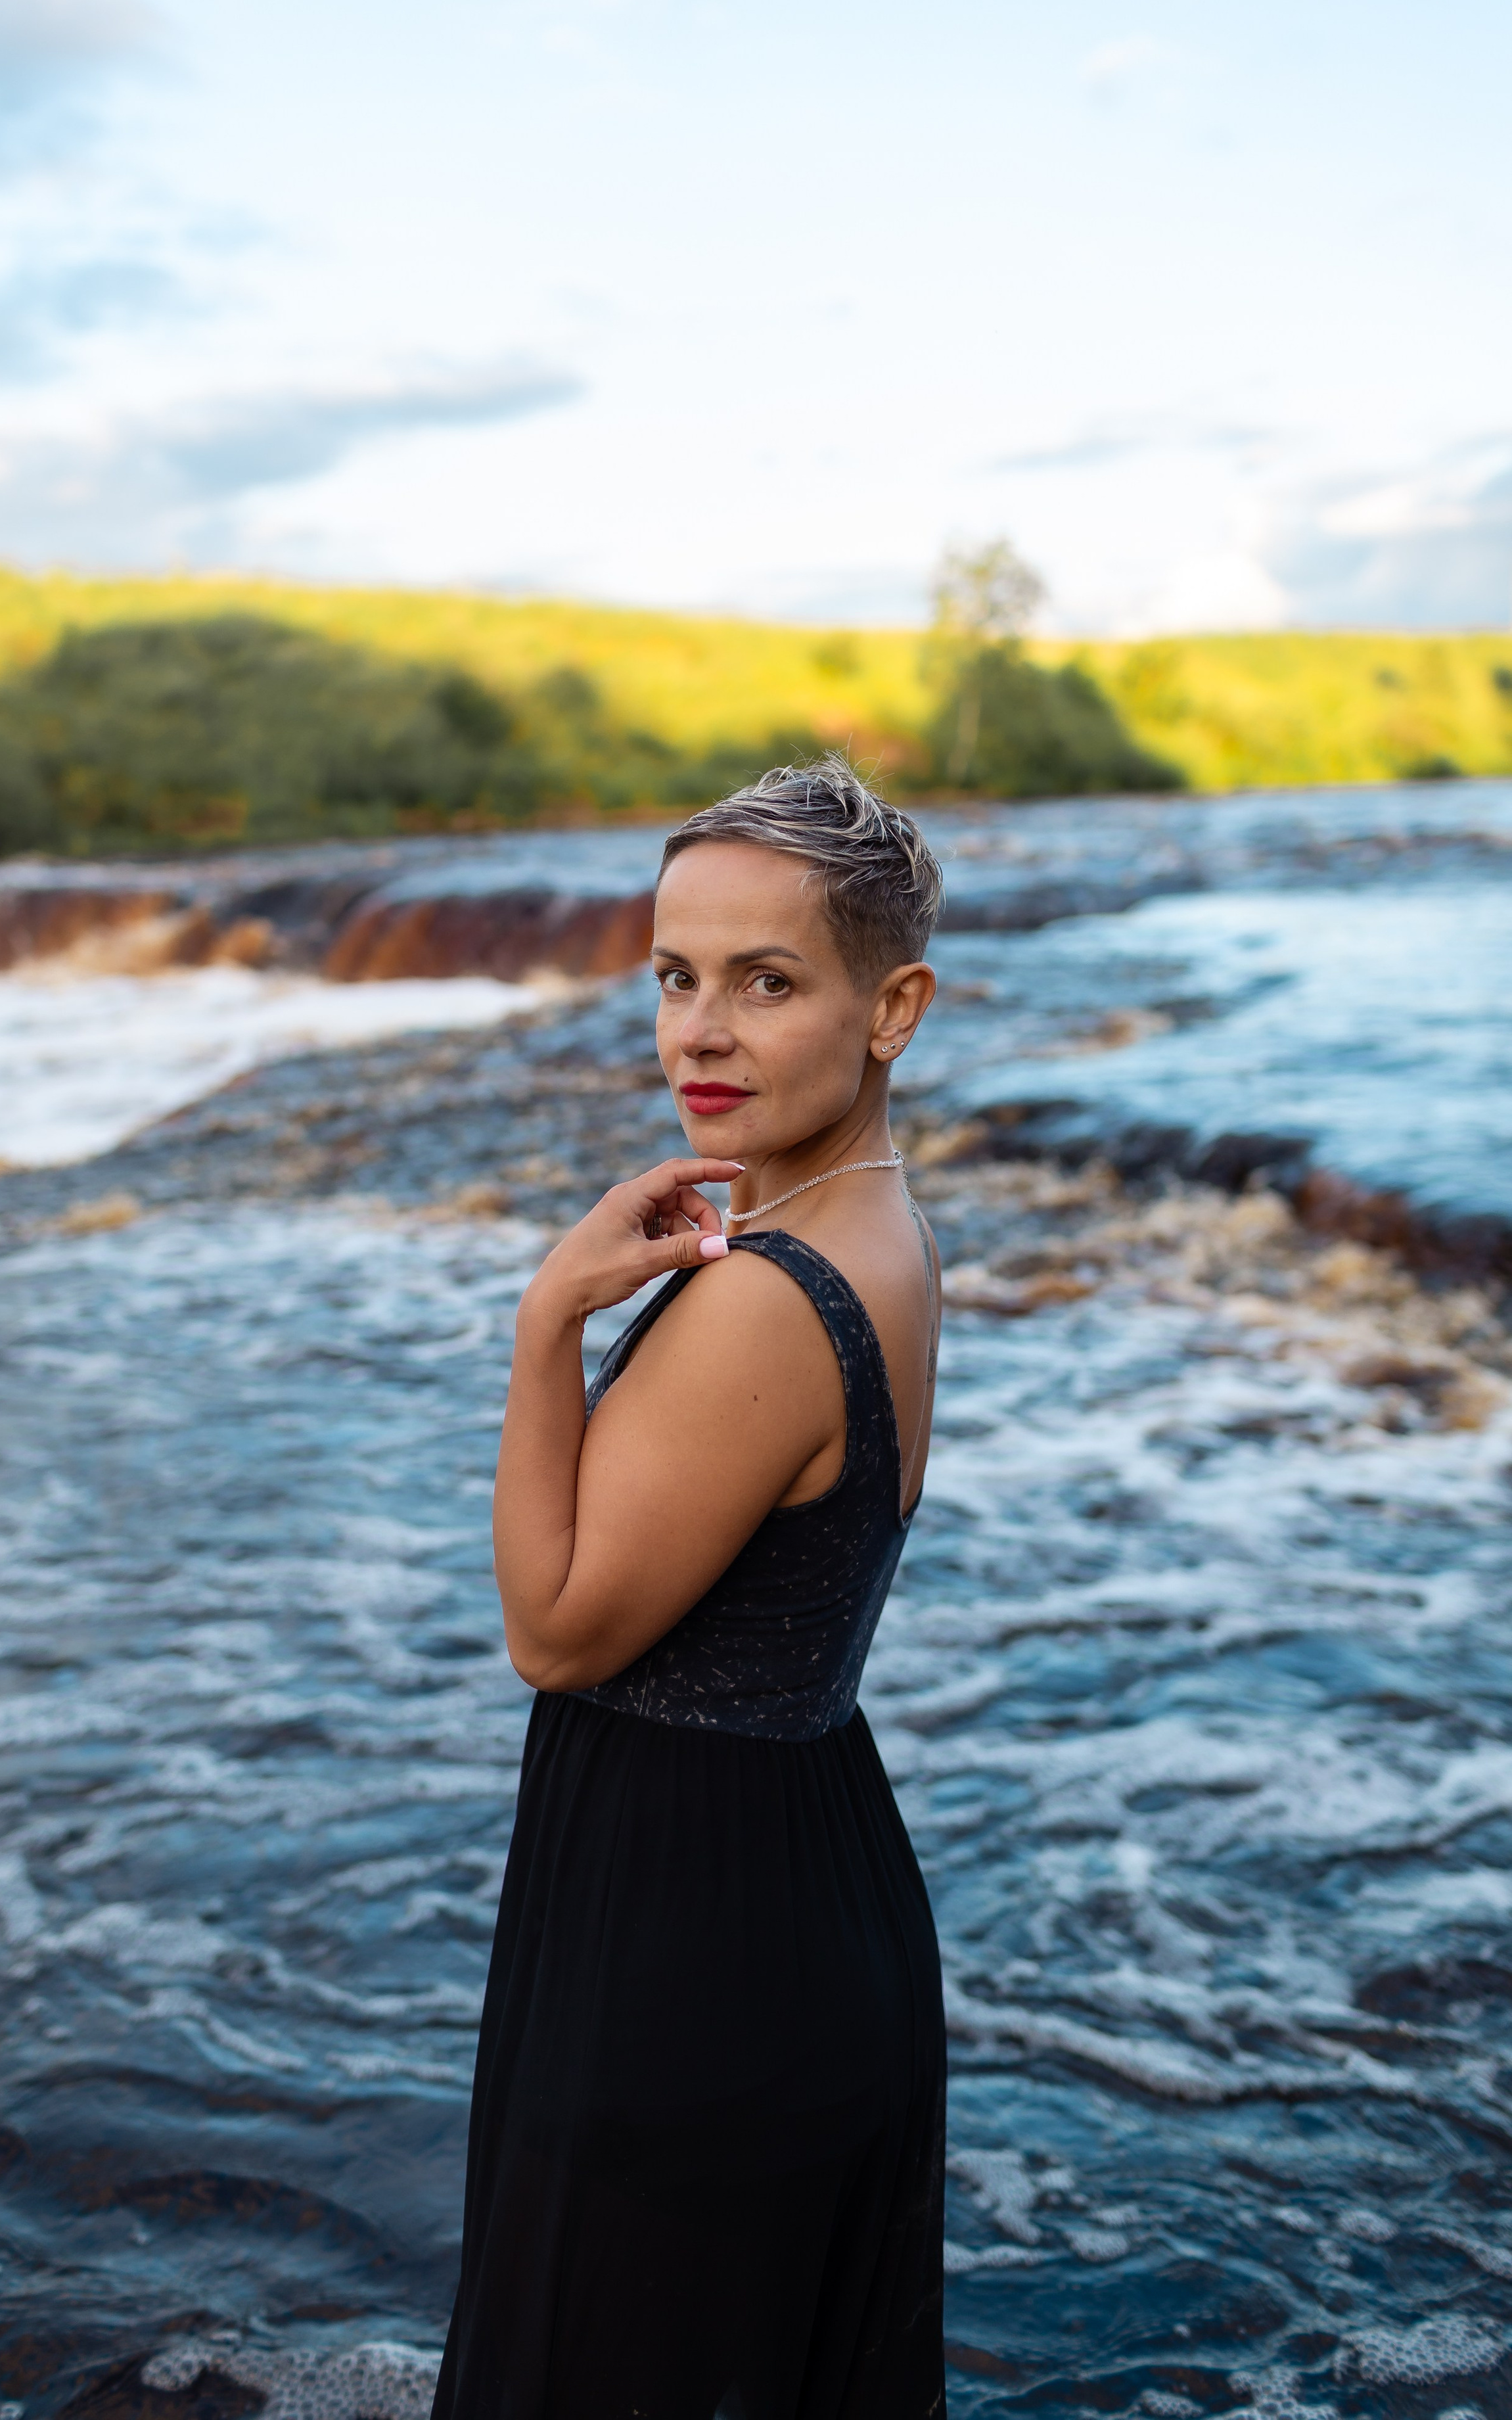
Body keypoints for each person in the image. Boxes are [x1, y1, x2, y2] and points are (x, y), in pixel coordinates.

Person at [432, 760, 947, 2420]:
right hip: (798, 1878)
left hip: (690, 1951)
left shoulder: (766, 1299)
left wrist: (542, 1323)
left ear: (894, 1009)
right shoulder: (877, 1230)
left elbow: (553, 1630)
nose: (697, 1033)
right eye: (673, 976)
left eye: (766, 981)